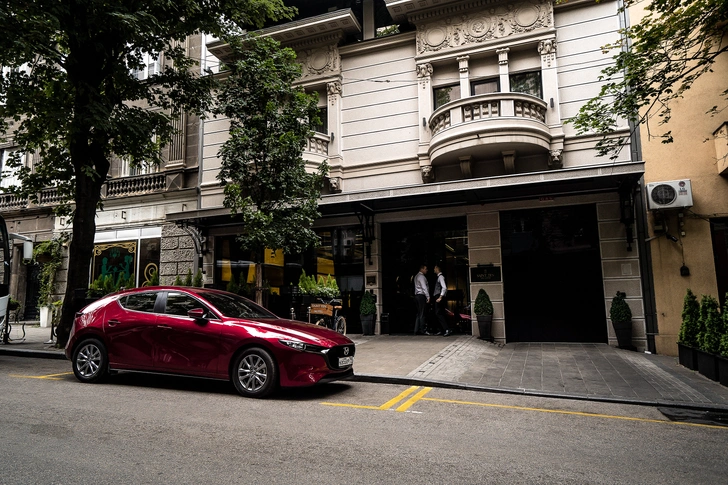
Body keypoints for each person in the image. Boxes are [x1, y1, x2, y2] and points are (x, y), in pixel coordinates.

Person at [433, 265, 452, 336]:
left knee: (439, 313)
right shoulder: (439, 277)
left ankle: (447, 329)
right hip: (439, 296)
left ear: (437, 269)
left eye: (435, 268)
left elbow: (444, 287)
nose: (434, 269)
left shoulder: (440, 277)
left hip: (439, 297)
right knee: (440, 313)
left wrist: (440, 297)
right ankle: (442, 330)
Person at [413, 264, 431, 335]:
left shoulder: (416, 276)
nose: (426, 270)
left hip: (417, 296)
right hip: (421, 296)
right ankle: (423, 330)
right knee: (422, 313)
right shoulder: (421, 277)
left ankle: (416, 330)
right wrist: (428, 296)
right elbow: (424, 287)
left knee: (419, 313)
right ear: (422, 269)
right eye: (425, 269)